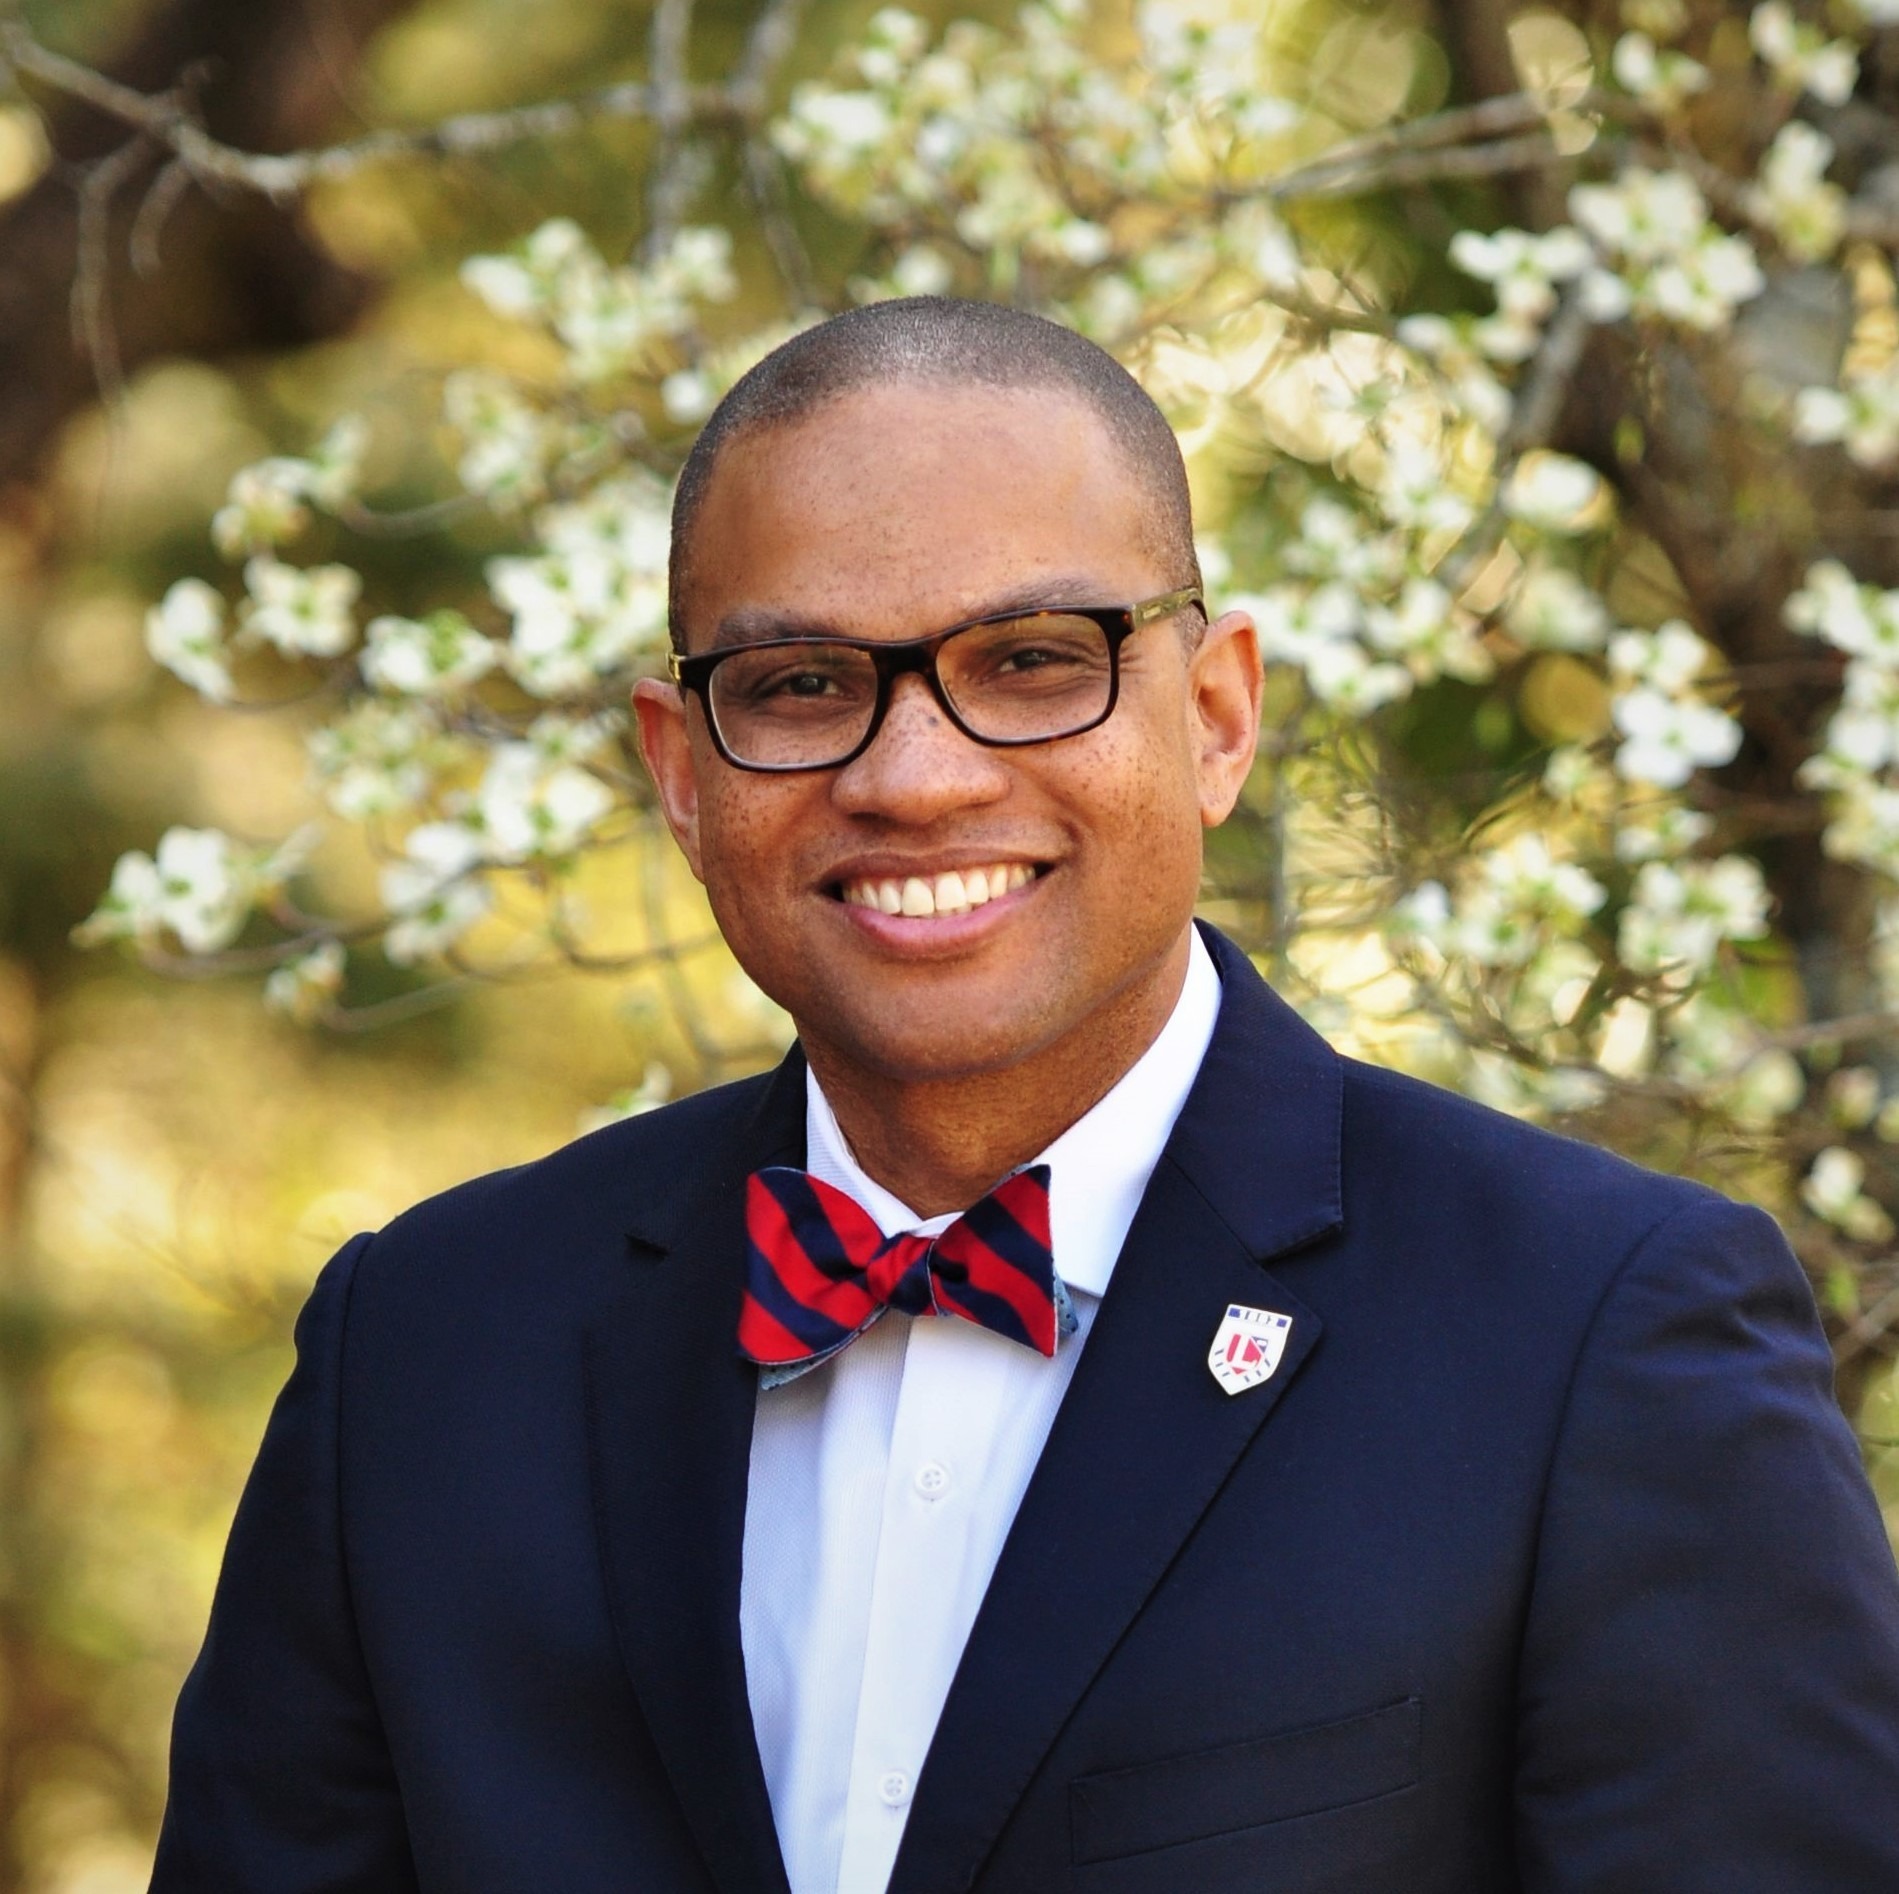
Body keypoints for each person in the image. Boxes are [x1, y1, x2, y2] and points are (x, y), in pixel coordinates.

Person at [151, 298, 1899, 1894]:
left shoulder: (1596, 1337)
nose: (915, 776)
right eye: (801, 685)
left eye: (1034, 660)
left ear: (1217, 717)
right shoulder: (421, 1356)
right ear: (681, 777)